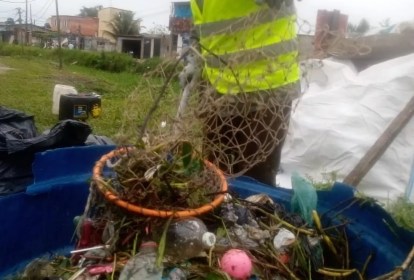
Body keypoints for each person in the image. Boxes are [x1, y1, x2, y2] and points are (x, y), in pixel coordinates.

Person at [190, 0, 300, 186]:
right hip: (218, 90)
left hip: (267, 86)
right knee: (215, 175)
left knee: (256, 181)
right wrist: (195, 58)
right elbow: (203, 26)